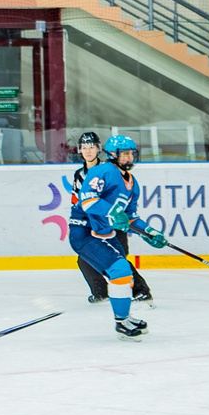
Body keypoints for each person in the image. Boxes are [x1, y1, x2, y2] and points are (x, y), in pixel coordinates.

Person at [73, 132, 159, 338]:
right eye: (124, 154)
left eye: (131, 153)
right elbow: (87, 199)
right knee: (120, 269)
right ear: (112, 154)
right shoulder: (103, 171)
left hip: (106, 233)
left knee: (124, 273)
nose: (129, 157)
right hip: (85, 231)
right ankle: (121, 321)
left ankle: (124, 317)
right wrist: (112, 212)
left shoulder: (132, 183)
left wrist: (149, 231)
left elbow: (130, 217)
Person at [66, 133, 112, 303]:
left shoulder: (107, 170)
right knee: (84, 258)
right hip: (90, 224)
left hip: (109, 224)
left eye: (91, 147)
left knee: (116, 258)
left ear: (98, 148)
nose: (88, 151)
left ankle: (139, 290)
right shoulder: (79, 175)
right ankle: (100, 292)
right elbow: (76, 201)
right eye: (84, 147)